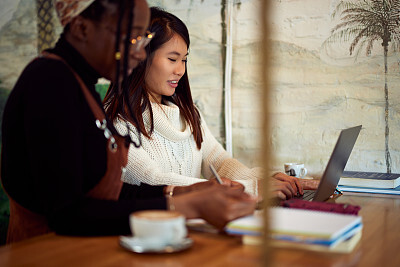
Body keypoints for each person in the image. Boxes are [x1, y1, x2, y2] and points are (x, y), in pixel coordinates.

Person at [1, 0, 256, 244]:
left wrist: (178, 193)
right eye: (133, 38)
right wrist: (182, 205)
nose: (138, 53)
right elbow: (68, 214)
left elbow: (108, 193)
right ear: (82, 28)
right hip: (47, 253)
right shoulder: (49, 83)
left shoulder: (80, 85)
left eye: (143, 40)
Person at [104, 7, 317, 199]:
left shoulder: (188, 113)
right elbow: (153, 180)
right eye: (172, 59)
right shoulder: (117, 120)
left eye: (184, 60)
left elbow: (218, 161)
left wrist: (267, 178)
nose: (180, 70)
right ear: (141, 56)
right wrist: (251, 188)